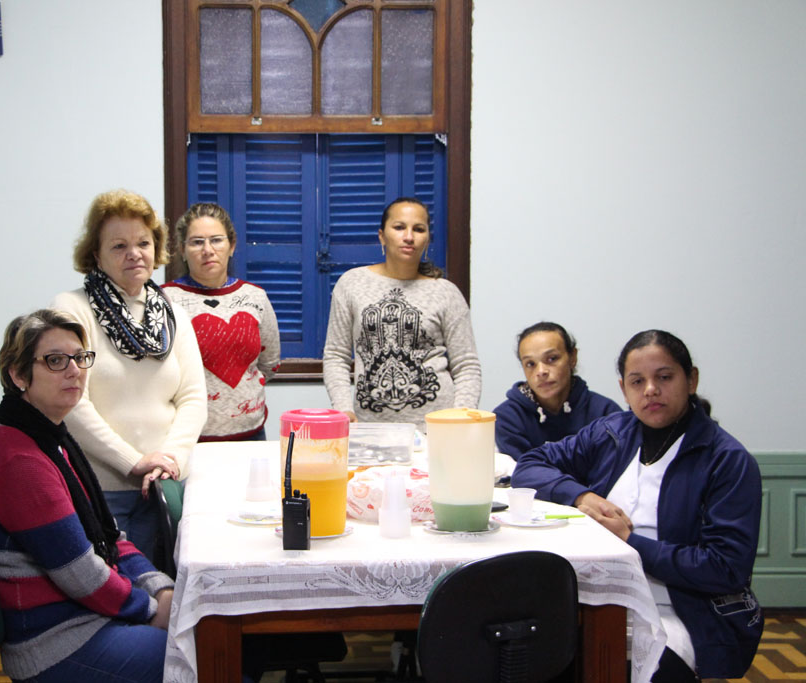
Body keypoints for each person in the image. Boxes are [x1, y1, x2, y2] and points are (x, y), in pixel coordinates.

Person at [513, 330, 763, 681]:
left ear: (691, 380)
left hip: (683, 610)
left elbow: (725, 568)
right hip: (597, 597)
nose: (650, 390)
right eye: (637, 381)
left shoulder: (727, 460)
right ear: (623, 389)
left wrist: (629, 543)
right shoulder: (611, 433)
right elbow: (529, 465)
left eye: (664, 377)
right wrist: (580, 496)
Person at [0, 310, 174, 682]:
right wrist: (151, 610)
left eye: (80, 357)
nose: (74, 371)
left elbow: (109, 536)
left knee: (212, 642)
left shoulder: (49, 436)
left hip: (85, 618)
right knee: (210, 653)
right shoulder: (19, 461)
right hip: (57, 643)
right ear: (18, 375)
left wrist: (160, 588)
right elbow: (80, 573)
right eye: (56, 361)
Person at [50, 189, 207, 558]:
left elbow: (193, 397)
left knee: (167, 584)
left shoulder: (173, 314)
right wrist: (133, 461)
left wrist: (170, 459)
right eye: (119, 246)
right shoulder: (70, 309)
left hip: (168, 485)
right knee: (118, 587)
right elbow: (70, 401)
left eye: (143, 243)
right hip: (100, 490)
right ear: (96, 254)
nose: (134, 253)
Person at [322, 196, 481, 427]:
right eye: (399, 227)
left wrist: (460, 417)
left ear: (427, 238)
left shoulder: (446, 292)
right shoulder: (351, 284)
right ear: (381, 236)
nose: (409, 237)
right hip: (369, 428)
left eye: (418, 229)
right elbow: (336, 355)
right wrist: (343, 409)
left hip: (437, 429)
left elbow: (466, 364)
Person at [163, 202, 280, 441]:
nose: (207, 250)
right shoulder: (164, 299)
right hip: (187, 439)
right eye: (197, 242)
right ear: (183, 250)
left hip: (251, 435)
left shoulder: (255, 297)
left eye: (216, 240)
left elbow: (269, 363)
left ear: (231, 246)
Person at [494, 321, 622, 459]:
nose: (541, 371)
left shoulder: (605, 413)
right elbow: (523, 469)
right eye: (530, 364)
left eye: (552, 359)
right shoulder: (508, 418)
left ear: (572, 358)